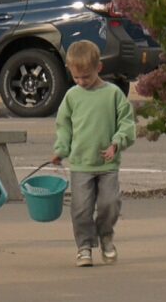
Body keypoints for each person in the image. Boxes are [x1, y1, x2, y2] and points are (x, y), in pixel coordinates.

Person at [51, 40, 135, 267]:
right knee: (80, 209)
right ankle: (84, 246)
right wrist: (61, 150)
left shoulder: (113, 94)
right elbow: (64, 126)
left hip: (107, 164)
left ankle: (105, 236)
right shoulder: (71, 97)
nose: (81, 82)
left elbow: (127, 123)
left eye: (86, 77)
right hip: (80, 164)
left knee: (110, 204)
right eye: (76, 77)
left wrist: (117, 143)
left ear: (99, 68)